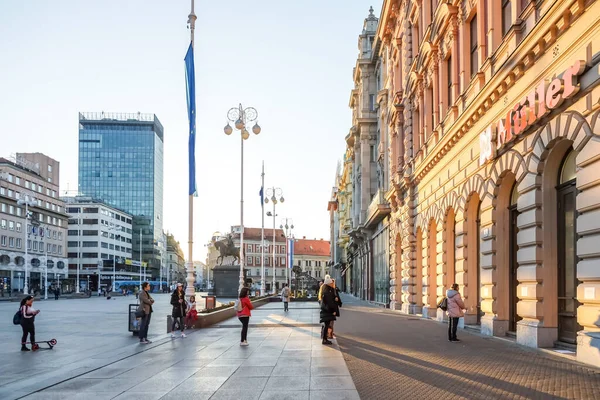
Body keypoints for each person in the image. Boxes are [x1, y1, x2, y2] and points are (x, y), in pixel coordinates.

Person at [319, 276, 338, 345]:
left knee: (326, 325)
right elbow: (330, 302)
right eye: (331, 283)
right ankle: (324, 339)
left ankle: (325, 338)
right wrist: (333, 310)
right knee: (326, 325)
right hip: (328, 311)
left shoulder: (324, 289)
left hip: (325, 310)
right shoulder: (328, 291)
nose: (332, 284)